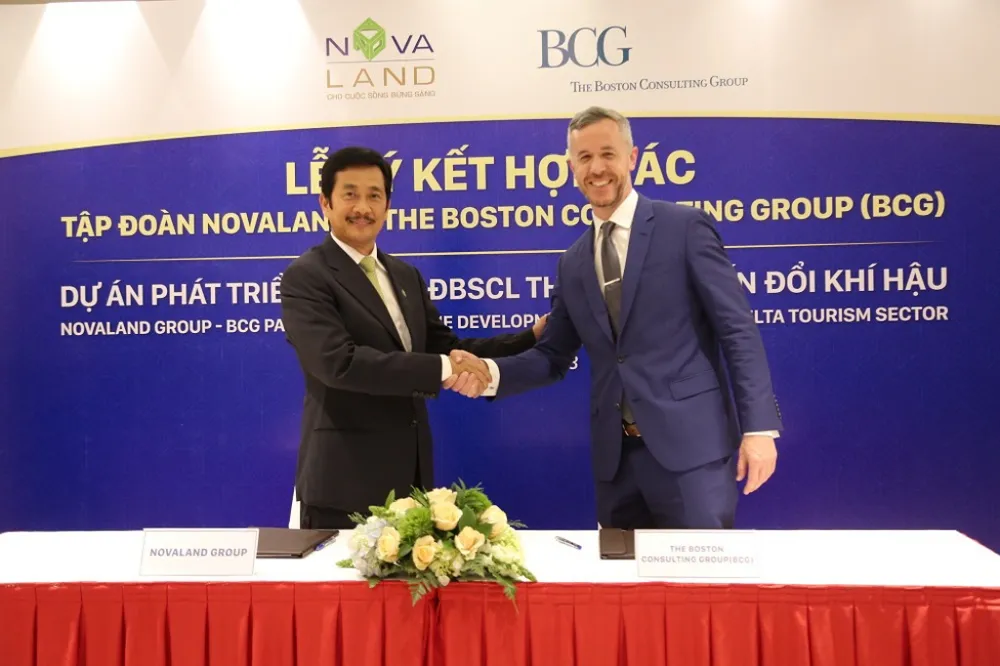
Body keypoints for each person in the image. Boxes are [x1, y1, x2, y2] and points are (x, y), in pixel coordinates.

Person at [448, 106, 783, 530]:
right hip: (616, 465)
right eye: (584, 158)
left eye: (607, 154)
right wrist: (491, 374)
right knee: (620, 576)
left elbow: (737, 330)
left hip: (693, 458)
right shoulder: (572, 262)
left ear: (632, 157)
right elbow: (553, 355)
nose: (597, 168)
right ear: (571, 168)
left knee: (699, 574)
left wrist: (759, 428)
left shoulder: (684, 227)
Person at [280, 146, 546, 530]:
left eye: (374, 195)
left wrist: (530, 337)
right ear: (326, 202)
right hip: (343, 482)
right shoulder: (306, 276)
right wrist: (444, 368)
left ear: (387, 205)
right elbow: (339, 363)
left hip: (410, 479)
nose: (363, 207)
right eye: (350, 194)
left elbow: (445, 348)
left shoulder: (405, 276)